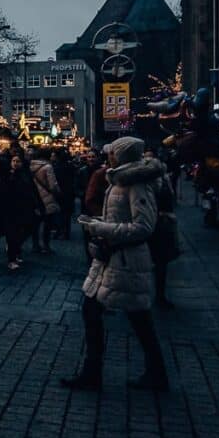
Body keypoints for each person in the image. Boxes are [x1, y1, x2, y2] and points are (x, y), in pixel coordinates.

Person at [62, 136, 169, 392]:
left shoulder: (135, 185)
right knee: (108, 312)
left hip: (125, 259)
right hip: (111, 258)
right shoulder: (119, 179)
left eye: (112, 153)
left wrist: (101, 227)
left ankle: (99, 373)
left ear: (122, 156)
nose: (107, 155)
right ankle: (99, 371)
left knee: (135, 317)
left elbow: (143, 226)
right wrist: (99, 222)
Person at [144, 148, 178, 309]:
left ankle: (148, 295)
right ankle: (160, 295)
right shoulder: (163, 182)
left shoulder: (140, 183)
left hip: (147, 225)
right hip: (161, 224)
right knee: (160, 262)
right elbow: (170, 202)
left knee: (144, 262)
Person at [7, 155, 40, 269]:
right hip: (11, 208)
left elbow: (33, 191)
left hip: (25, 207)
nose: (15, 163)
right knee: (13, 233)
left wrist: (36, 205)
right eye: (13, 161)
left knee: (26, 230)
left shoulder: (26, 175)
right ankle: (12, 258)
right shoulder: (8, 175)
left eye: (18, 161)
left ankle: (16, 251)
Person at [28, 149, 60, 254]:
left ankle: (35, 245)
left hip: (34, 197)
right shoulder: (48, 167)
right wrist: (57, 192)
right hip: (47, 197)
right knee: (47, 223)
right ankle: (46, 245)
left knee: (35, 223)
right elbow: (53, 185)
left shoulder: (30, 166)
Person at [52, 149, 76, 240]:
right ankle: (65, 232)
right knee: (66, 214)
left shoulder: (56, 167)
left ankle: (60, 232)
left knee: (60, 213)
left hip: (60, 192)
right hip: (69, 192)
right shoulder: (70, 166)